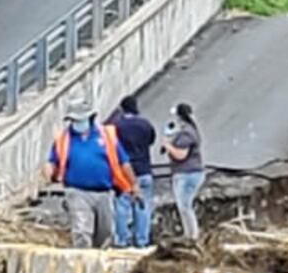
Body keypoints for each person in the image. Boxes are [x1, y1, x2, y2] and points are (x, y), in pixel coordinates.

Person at [44, 97, 136, 248]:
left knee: (105, 233)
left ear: (90, 118)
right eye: (73, 120)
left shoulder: (106, 136)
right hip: (77, 192)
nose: (77, 124)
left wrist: (134, 185)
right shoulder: (64, 139)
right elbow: (53, 160)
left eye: (80, 119)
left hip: (104, 192)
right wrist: (49, 169)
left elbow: (123, 162)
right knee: (82, 231)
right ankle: (82, 262)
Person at [107, 92, 159, 246]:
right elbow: (151, 141)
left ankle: (122, 240)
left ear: (122, 109)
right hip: (144, 170)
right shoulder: (145, 125)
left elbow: (110, 145)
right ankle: (142, 240)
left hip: (123, 174)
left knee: (122, 206)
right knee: (142, 205)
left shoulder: (117, 126)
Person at [162, 102, 205, 240]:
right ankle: (190, 234)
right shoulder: (190, 130)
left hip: (187, 173)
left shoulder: (186, 133)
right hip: (190, 173)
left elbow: (181, 155)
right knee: (184, 205)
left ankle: (192, 235)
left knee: (185, 205)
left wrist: (168, 146)